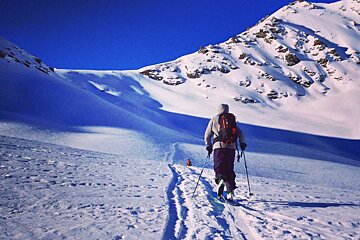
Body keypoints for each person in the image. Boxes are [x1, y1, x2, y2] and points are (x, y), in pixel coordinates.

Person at [204, 103, 247, 201]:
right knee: (229, 168)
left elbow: (207, 134)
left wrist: (208, 145)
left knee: (219, 166)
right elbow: (240, 133)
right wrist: (242, 143)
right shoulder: (232, 120)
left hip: (218, 147)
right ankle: (230, 190)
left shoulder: (214, 119)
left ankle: (220, 180)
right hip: (231, 148)